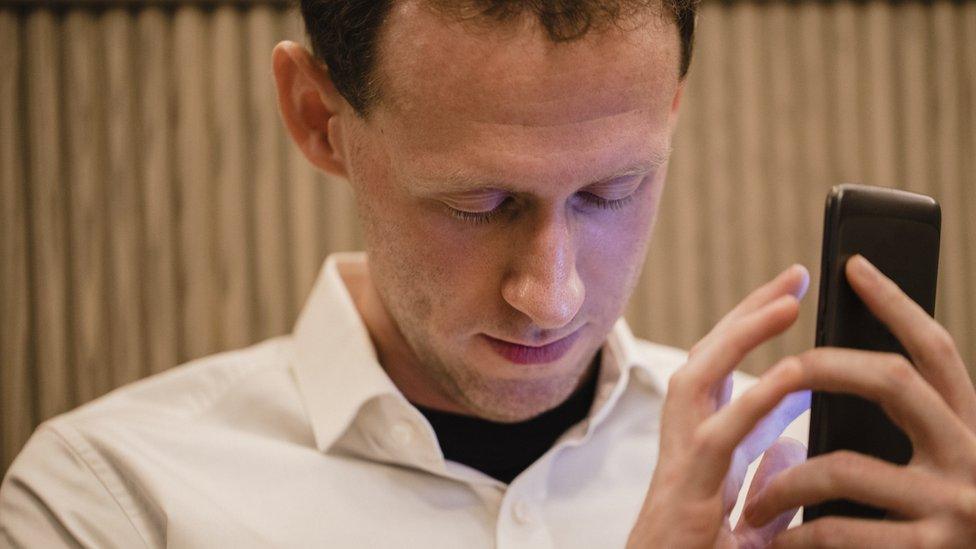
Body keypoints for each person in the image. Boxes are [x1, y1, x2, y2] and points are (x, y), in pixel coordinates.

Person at [2, 0, 975, 547]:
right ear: (315, 116)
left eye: (611, 191)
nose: (551, 295)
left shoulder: (822, 482)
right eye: (477, 204)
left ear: (671, 105)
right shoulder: (106, 502)